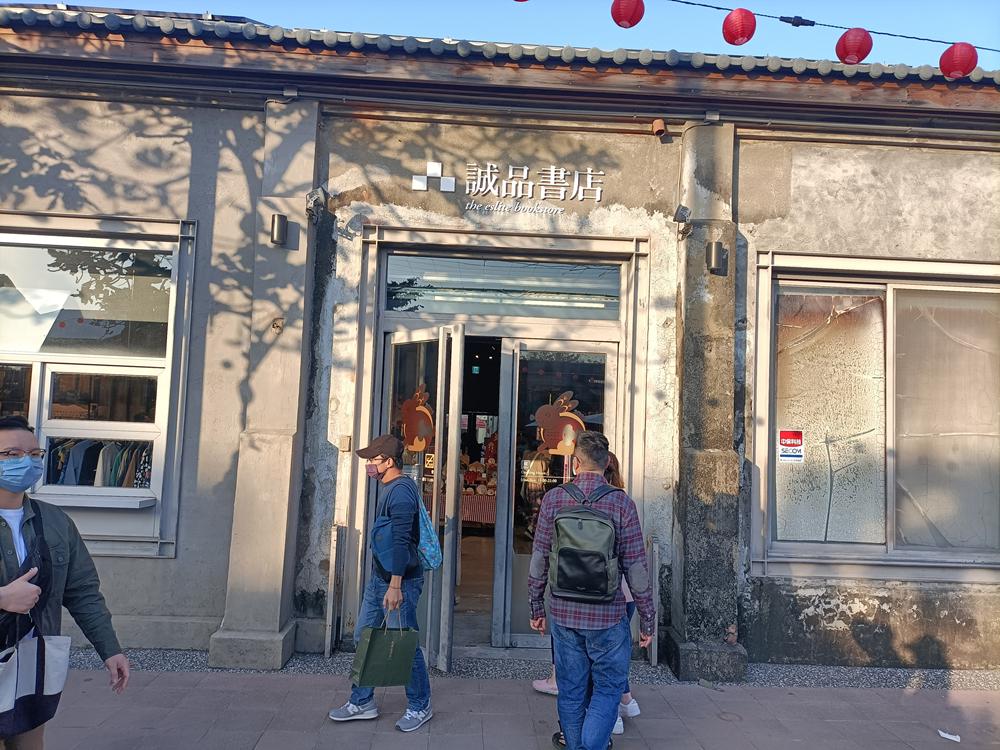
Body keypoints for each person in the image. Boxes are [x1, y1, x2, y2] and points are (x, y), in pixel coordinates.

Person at [0, 415, 130, 750]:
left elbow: (83, 591)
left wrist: (110, 649)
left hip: (30, 665)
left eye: (35, 454)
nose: (26, 462)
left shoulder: (55, 521)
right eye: (12, 454)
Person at [529, 432, 655, 750]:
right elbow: (636, 567)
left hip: (564, 612)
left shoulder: (554, 499)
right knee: (608, 689)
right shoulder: (621, 503)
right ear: (606, 462)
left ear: (575, 463)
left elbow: (540, 557)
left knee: (571, 691)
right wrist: (647, 618)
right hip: (607, 614)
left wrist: (536, 605)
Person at [328, 434, 432, 733]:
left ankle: (420, 705)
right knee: (365, 636)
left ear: (389, 461)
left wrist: (395, 585)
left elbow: (401, 541)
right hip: (380, 579)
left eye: (373, 460)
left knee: (404, 644)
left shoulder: (401, 493)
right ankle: (362, 701)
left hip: (399, 581)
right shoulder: (390, 488)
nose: (369, 466)